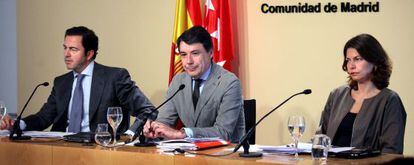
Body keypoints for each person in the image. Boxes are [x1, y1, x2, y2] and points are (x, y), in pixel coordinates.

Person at [0, 26, 155, 135]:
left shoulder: (114, 77)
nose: (66, 54)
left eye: (73, 49)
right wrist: (17, 124)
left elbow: (148, 110)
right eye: (65, 48)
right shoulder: (61, 82)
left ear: (89, 54)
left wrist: (129, 134)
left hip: (100, 149)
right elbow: (44, 117)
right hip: (61, 149)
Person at [143, 26, 245, 143]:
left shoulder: (229, 83)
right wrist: (155, 128)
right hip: (190, 155)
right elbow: (165, 120)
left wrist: (183, 133)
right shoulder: (178, 81)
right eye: (183, 55)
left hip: (224, 156)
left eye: (195, 53)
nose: (188, 61)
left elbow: (223, 132)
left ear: (210, 53)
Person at [317, 34, 406, 154]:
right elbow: (320, 139)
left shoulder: (389, 100)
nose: (351, 66)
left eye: (358, 59)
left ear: (374, 61)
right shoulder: (337, 95)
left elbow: (391, 152)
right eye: (348, 60)